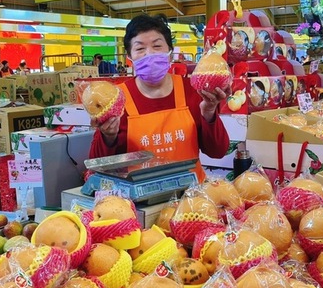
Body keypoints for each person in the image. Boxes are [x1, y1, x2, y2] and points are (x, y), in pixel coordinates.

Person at [89, 14, 229, 182]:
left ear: (170, 53)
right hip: (138, 203)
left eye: (157, 46)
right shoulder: (115, 99)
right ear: (129, 58)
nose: (149, 54)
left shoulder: (193, 91)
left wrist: (209, 113)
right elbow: (98, 167)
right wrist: (108, 137)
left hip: (191, 199)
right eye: (140, 49)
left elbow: (217, 151)